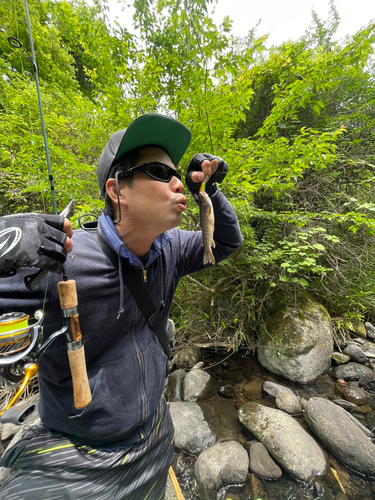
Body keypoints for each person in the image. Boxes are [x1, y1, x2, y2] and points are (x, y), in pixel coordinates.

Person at [0, 113, 242, 499]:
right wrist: (5, 243)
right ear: (118, 190)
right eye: (160, 173)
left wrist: (208, 193)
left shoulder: (172, 248)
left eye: (178, 172)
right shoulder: (63, 260)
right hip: (80, 450)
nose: (177, 180)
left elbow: (225, 243)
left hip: (153, 433)